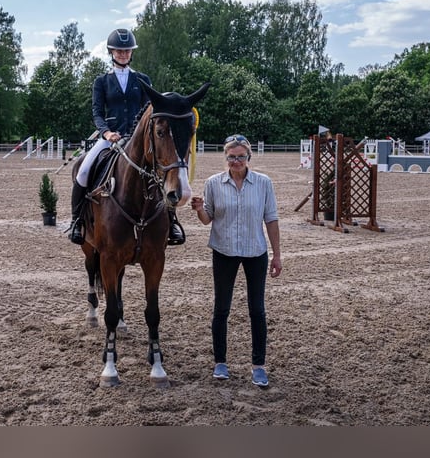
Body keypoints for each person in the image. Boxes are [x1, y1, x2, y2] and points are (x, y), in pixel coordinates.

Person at [68, 28, 186, 245]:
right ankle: (78, 221)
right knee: (83, 170)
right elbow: (97, 112)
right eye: (119, 51)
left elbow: (151, 110)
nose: (123, 54)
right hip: (110, 137)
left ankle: (172, 221)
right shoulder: (101, 81)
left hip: (138, 139)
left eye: (126, 51)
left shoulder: (142, 79)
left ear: (131, 53)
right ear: (111, 52)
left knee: (160, 173)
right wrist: (106, 132)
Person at [190, 134, 282, 386]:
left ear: (248, 157)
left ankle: (258, 365)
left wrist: (277, 254)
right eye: (232, 157)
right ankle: (220, 362)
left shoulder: (263, 183)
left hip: (256, 252)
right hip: (224, 251)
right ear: (226, 158)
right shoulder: (213, 183)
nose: (236, 161)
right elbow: (208, 219)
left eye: (241, 156)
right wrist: (199, 209)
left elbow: (271, 219)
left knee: (257, 310)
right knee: (221, 309)